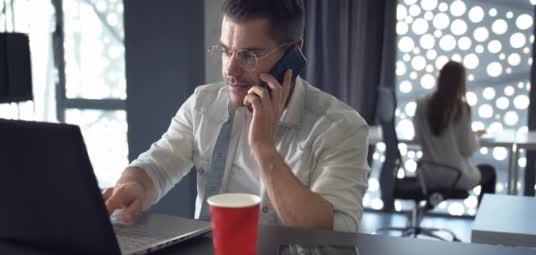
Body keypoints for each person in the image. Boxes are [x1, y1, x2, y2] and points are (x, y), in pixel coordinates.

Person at [102, 0, 369, 231]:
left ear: (292, 53)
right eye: (226, 51)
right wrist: (134, 185)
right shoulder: (203, 104)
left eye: (248, 55)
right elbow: (157, 166)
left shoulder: (341, 128)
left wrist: (263, 148)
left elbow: (337, 234)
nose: (231, 69)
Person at [413, 60, 496, 205]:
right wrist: (474, 136)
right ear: (461, 83)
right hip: (455, 175)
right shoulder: (461, 108)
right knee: (490, 172)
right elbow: (467, 149)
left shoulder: (421, 104)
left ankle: (428, 206)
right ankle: (482, 222)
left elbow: (419, 137)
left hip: (427, 175)